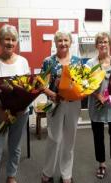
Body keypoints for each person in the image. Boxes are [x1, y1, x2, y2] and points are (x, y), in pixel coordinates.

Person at [0, 24, 30, 183]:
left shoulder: (23, 61)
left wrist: (23, 105)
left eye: (13, 39)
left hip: (20, 113)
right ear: (0, 41)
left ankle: (11, 176)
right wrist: (1, 111)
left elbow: (28, 88)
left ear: (16, 41)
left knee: (15, 147)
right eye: (6, 39)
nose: (10, 43)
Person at [40, 31, 81, 183]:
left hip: (73, 104)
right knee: (54, 139)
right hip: (54, 103)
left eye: (66, 40)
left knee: (69, 140)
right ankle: (47, 172)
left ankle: (66, 174)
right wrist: (53, 94)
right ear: (55, 43)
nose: (63, 43)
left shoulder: (77, 61)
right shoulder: (48, 62)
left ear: (70, 42)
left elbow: (82, 84)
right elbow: (41, 85)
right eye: (60, 40)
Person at [86, 32, 111, 179]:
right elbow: (86, 85)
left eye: (106, 42)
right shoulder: (90, 64)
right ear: (96, 45)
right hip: (97, 104)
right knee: (98, 136)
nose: (103, 44)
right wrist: (98, 95)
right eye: (100, 42)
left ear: (110, 44)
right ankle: (101, 164)